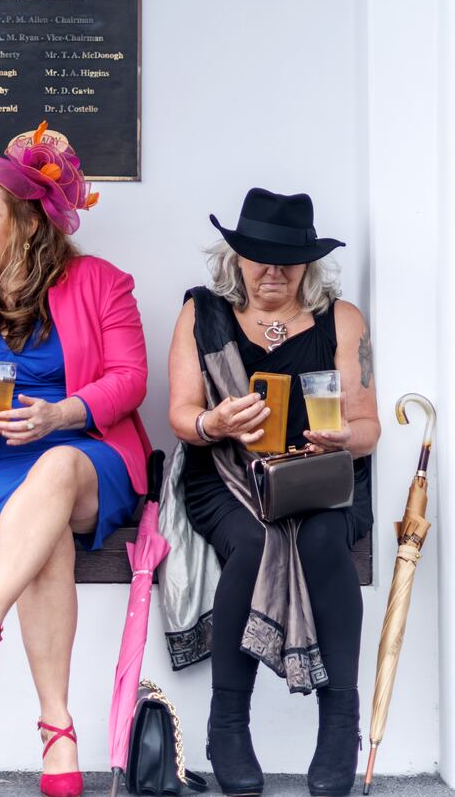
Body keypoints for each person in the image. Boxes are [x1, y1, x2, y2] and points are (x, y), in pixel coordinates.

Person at [0, 123, 150, 797]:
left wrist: (60, 414)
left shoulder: (102, 283)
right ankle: (58, 730)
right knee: (43, 541)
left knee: (58, 469)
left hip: (89, 456)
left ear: (26, 222)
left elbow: (130, 378)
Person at [164, 188, 379, 797]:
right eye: (258, 255)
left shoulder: (342, 320)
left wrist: (341, 440)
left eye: (287, 258)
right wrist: (215, 424)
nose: (272, 270)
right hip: (229, 478)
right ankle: (227, 727)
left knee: (320, 543)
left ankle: (340, 727)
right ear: (235, 257)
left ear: (308, 264)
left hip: (322, 480)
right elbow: (181, 415)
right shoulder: (201, 313)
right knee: (255, 545)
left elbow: (369, 428)